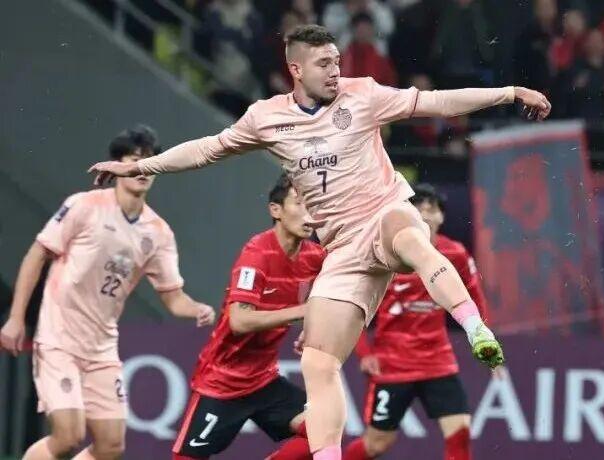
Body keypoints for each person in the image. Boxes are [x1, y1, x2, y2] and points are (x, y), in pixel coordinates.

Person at [87, 24, 550, 460]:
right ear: (296, 69)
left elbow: (436, 102)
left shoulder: (362, 94)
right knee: (318, 363)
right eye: (324, 64)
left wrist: (509, 92)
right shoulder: (266, 118)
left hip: (383, 213)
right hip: (343, 249)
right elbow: (207, 149)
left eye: (337, 62)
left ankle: (474, 327)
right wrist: (140, 167)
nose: (335, 72)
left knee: (413, 239)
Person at [1, 126, 216, 460]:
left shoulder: (158, 233)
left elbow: (174, 299)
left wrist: (197, 308)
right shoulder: (84, 206)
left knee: (111, 445)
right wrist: (16, 318)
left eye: (149, 162)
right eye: (134, 160)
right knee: (68, 436)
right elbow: (37, 255)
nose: (142, 170)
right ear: (117, 165)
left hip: (101, 348)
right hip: (59, 338)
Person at [172, 175, 325, 460]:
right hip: (222, 379)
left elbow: (331, 296)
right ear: (276, 210)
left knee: (325, 428)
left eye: (313, 204)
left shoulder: (315, 257)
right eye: (299, 203)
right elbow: (239, 321)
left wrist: (311, 326)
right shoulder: (257, 253)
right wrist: (303, 312)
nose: (310, 214)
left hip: (264, 379)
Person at [345, 184, 487, 460]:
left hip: (438, 362)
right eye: (418, 208)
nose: (425, 214)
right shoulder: (385, 253)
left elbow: (474, 298)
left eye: (432, 208)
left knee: (460, 433)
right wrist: (365, 353)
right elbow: (356, 308)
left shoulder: (455, 253)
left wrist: (483, 339)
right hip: (393, 365)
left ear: (441, 217)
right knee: (376, 445)